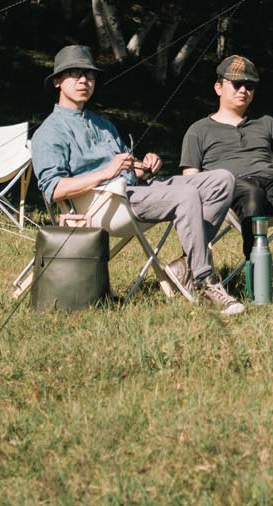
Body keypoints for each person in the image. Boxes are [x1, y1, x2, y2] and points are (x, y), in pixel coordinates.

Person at [30, 43, 244, 315]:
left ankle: (187, 267)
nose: (84, 80)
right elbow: (54, 189)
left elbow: (127, 169)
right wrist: (106, 173)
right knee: (186, 195)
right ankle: (205, 281)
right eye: (74, 74)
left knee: (221, 180)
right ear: (58, 81)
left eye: (90, 75)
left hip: (134, 192)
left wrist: (143, 167)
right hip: (103, 206)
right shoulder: (49, 132)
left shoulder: (102, 123)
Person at [179, 54, 273, 302]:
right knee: (250, 192)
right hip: (229, 189)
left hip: (271, 184)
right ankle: (257, 272)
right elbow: (190, 178)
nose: (243, 90)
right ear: (218, 87)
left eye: (250, 86)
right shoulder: (199, 130)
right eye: (236, 84)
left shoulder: (266, 123)